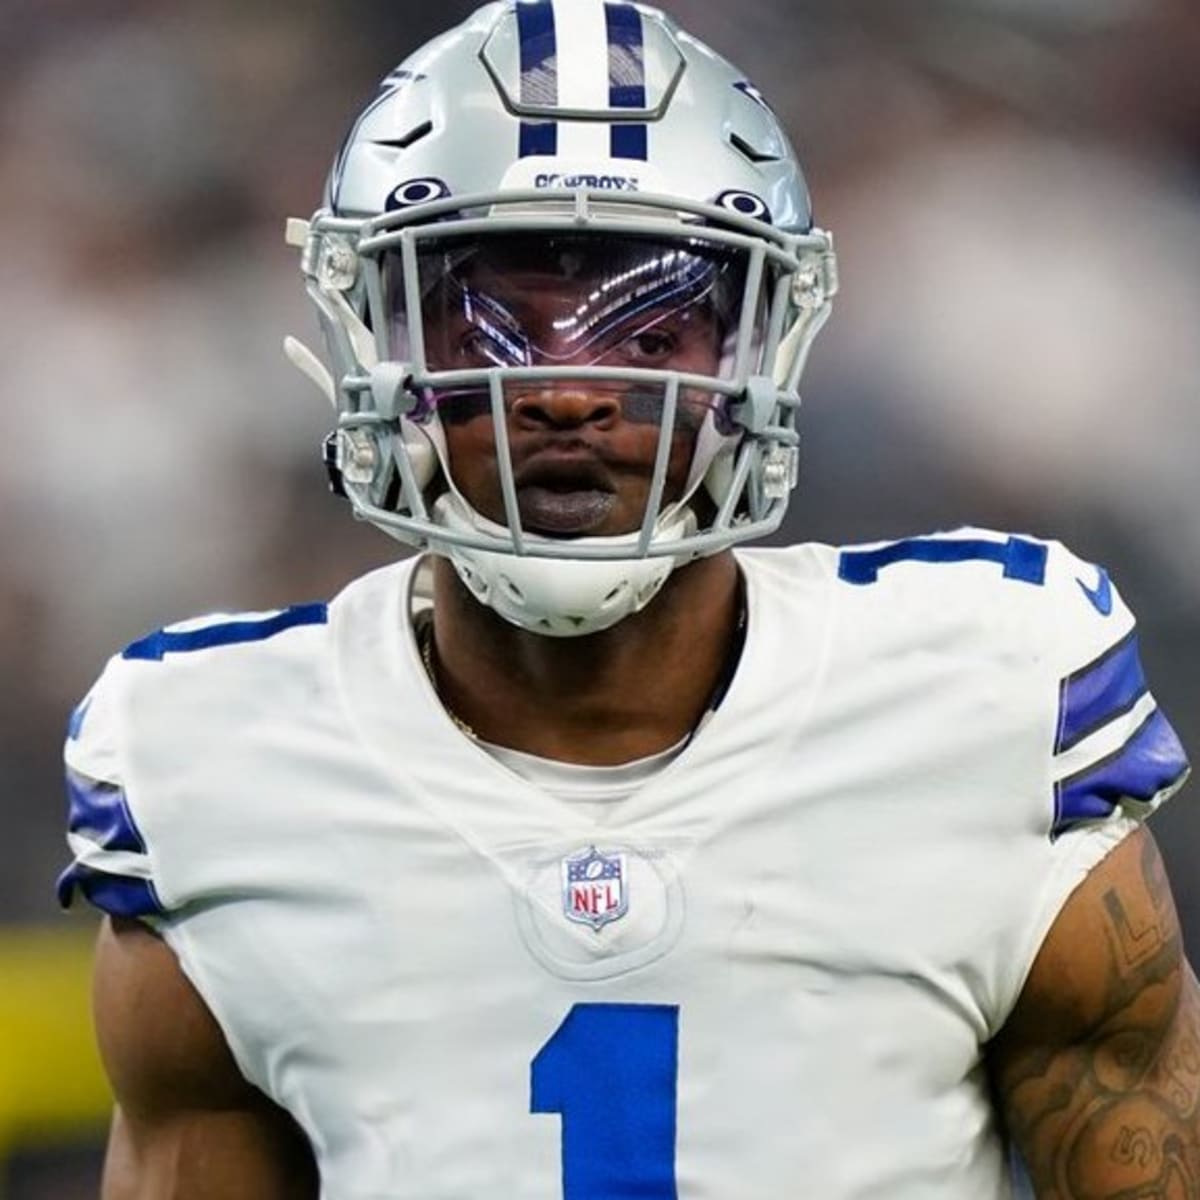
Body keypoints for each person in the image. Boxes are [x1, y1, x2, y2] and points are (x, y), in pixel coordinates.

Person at [58, 1, 1195, 1196]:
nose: (567, 390)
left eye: (651, 327)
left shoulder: (988, 695)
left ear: (761, 350)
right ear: (372, 341)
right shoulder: (214, 764)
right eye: (491, 323)